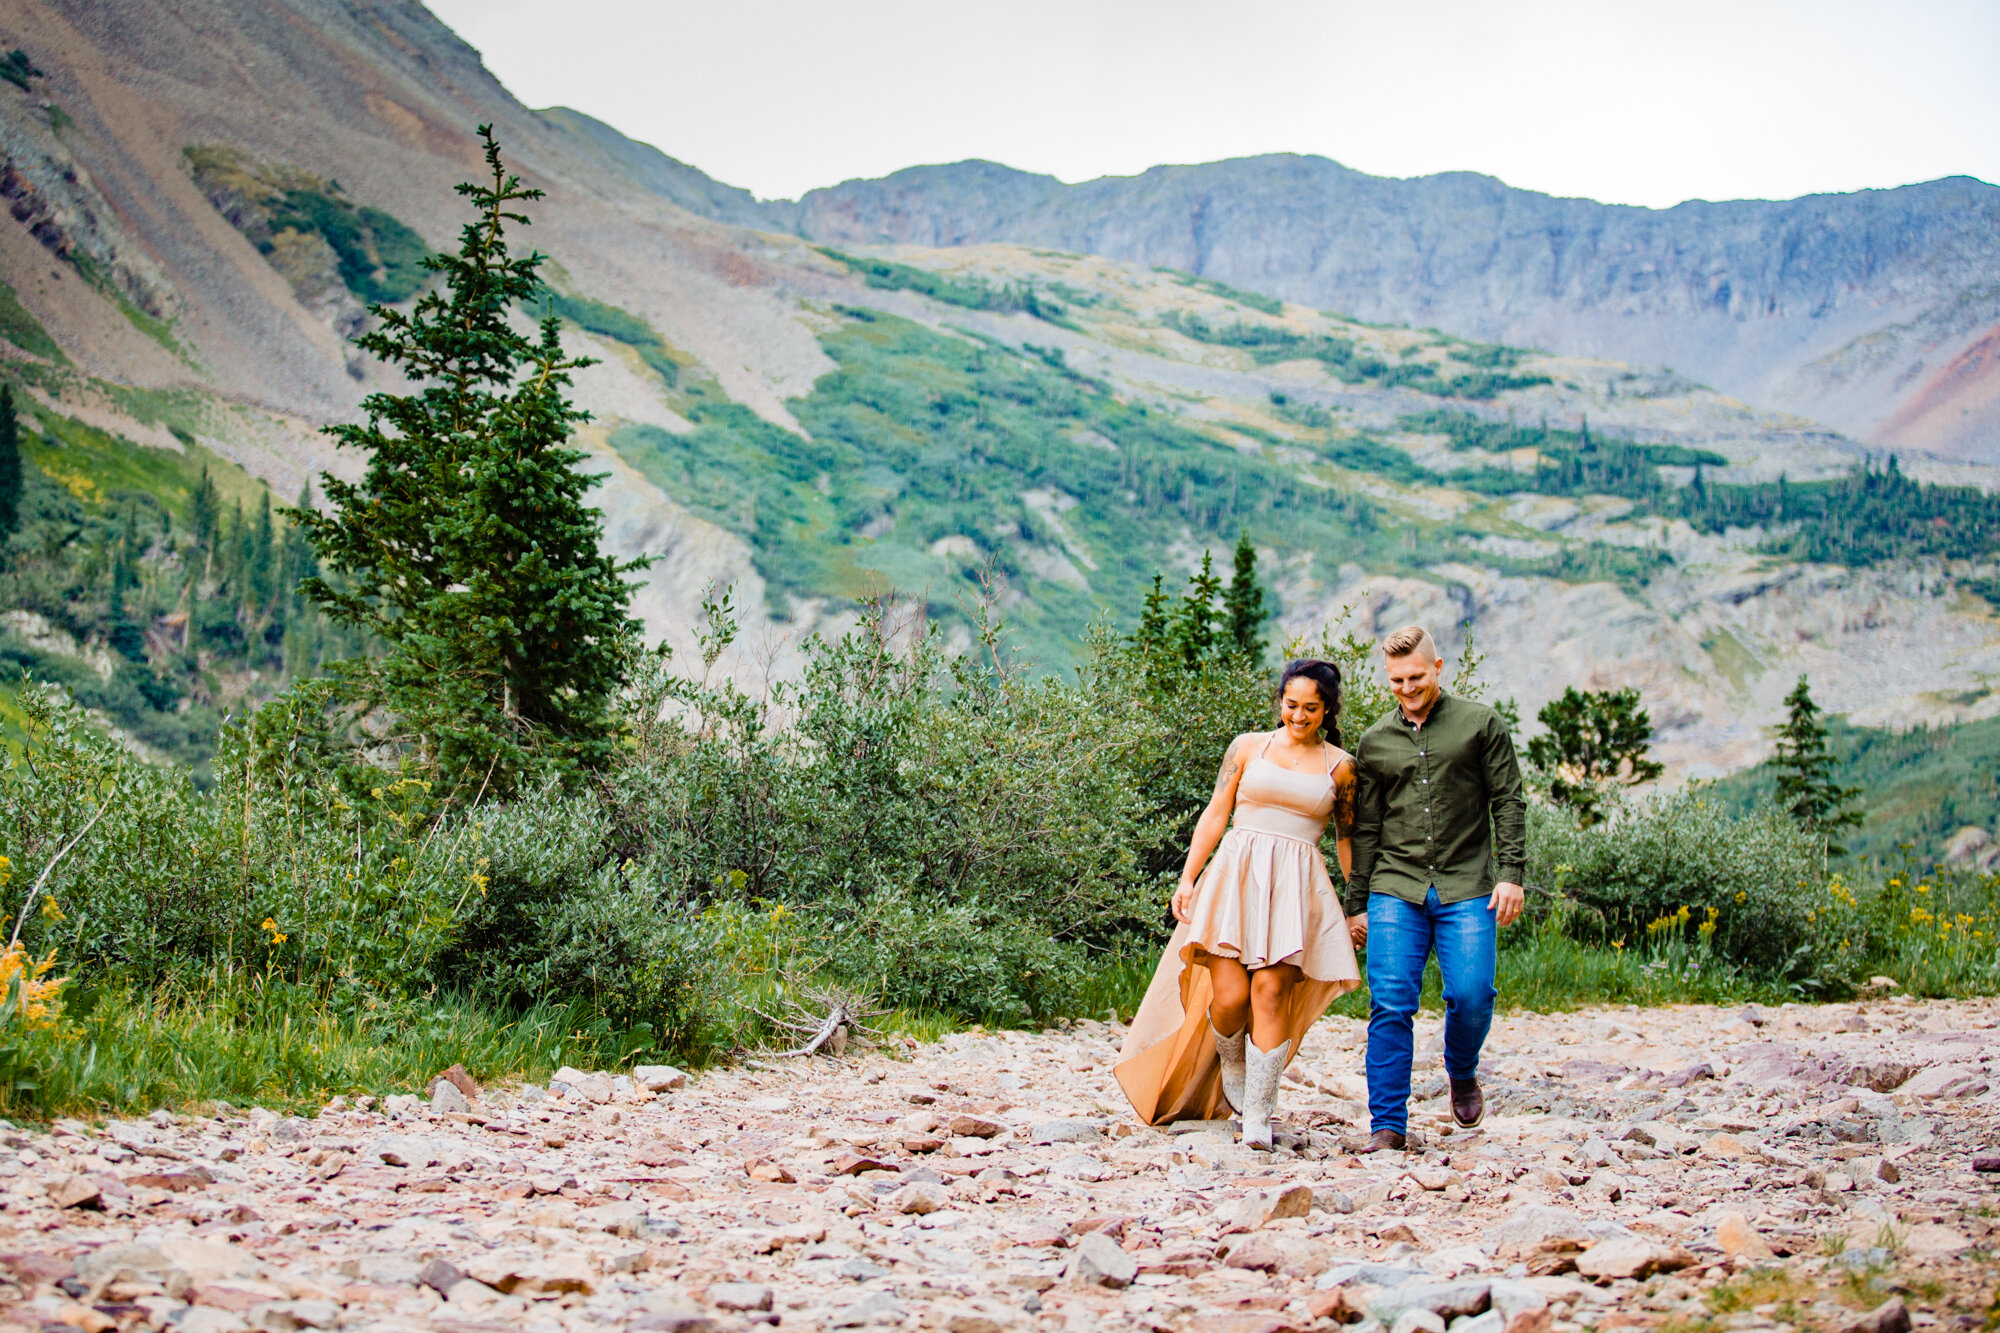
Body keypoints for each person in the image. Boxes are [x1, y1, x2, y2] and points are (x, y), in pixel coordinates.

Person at [1114, 660, 1364, 1149]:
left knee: (1270, 993)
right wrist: (1187, 877)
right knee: (1228, 997)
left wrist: (1357, 905)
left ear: (1327, 710)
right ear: (1280, 702)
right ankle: (1233, 1062)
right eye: (1291, 705)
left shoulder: (1343, 766)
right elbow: (1215, 813)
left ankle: (1259, 1114)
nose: (1298, 715)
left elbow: (1347, 840)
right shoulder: (1248, 747)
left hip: (1295, 885)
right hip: (1236, 876)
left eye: (1310, 708)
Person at [1345, 626, 1526, 1152]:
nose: (1406, 688)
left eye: (1416, 677)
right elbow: (1367, 828)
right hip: (1394, 886)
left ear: (1439, 668)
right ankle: (1387, 1126)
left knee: (1472, 994)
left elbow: (1508, 801)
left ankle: (1462, 1069)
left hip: (1467, 884)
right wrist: (1356, 904)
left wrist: (1511, 873)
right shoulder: (1375, 741)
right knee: (1391, 1003)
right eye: (1397, 680)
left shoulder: (1480, 723)